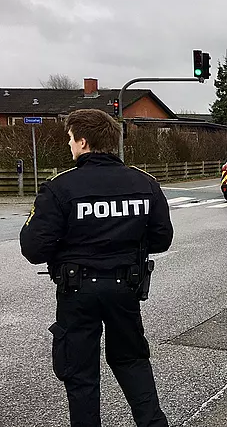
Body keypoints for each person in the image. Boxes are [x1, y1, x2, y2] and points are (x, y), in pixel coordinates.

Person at [20, 109, 173, 426]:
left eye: (71, 139)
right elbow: (161, 238)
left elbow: (33, 248)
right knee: (132, 361)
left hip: (77, 292)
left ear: (84, 142)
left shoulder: (60, 188)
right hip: (125, 289)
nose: (70, 145)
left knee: (80, 374)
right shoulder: (144, 183)